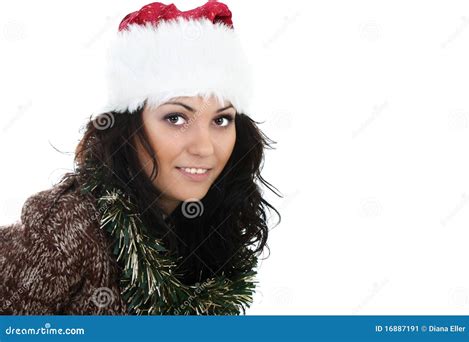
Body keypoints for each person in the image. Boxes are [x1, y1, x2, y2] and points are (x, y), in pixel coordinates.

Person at [0, 0, 281, 315]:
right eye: (176, 118)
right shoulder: (72, 225)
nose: (204, 148)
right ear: (129, 128)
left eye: (220, 120)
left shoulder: (208, 227)